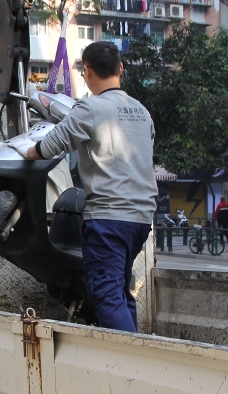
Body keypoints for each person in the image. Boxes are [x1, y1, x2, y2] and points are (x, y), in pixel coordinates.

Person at [21, 41, 157, 332]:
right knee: (120, 291)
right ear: (120, 68)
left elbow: (52, 145)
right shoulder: (142, 112)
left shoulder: (90, 108)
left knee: (107, 295)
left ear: (87, 71)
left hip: (109, 219)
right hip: (141, 220)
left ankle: (128, 365)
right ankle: (136, 353)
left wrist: (28, 151)